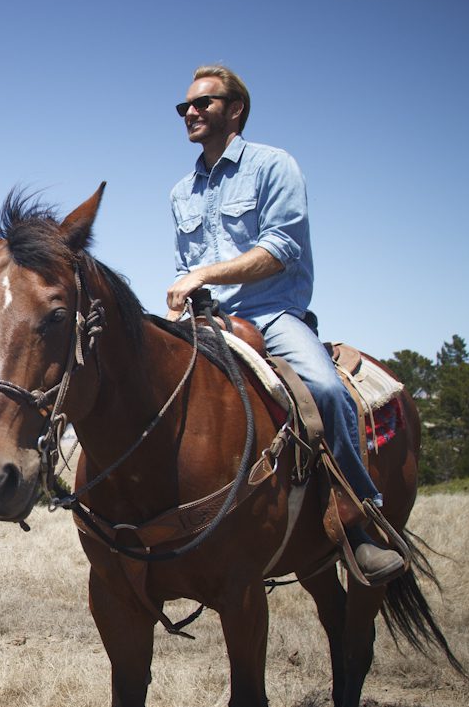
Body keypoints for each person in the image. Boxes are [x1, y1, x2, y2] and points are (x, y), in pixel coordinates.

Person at [163, 64, 403, 584]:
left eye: (203, 103)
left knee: (324, 388)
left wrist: (205, 272)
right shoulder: (182, 191)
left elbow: (280, 249)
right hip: (207, 320)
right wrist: (181, 302)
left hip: (272, 314)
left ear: (236, 110)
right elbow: (187, 267)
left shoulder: (273, 166)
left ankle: (358, 520)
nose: (191, 113)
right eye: (185, 107)